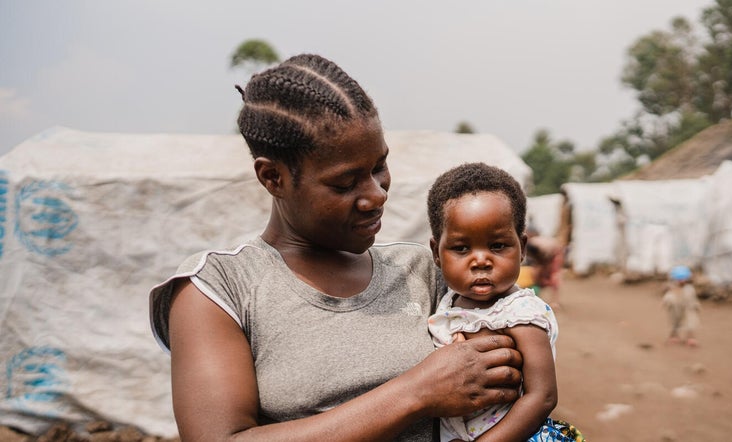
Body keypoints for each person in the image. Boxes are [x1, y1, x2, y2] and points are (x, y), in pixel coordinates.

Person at [148, 54, 524, 441]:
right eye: (345, 183)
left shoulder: (424, 272)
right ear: (273, 177)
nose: (376, 195)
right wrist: (417, 393)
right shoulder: (219, 289)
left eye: (379, 167)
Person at [426, 163, 584, 442]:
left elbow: (543, 396)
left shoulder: (520, 313)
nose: (481, 260)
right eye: (461, 248)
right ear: (436, 253)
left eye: (497, 246)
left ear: (522, 248)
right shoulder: (446, 303)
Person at [661, 265, 701, 347]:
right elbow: (668, 297)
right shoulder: (672, 289)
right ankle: (674, 336)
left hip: (688, 309)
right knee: (675, 323)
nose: (681, 281)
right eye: (679, 279)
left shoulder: (690, 288)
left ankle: (691, 338)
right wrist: (665, 303)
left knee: (690, 323)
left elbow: (693, 298)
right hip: (675, 309)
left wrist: (697, 306)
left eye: (684, 278)